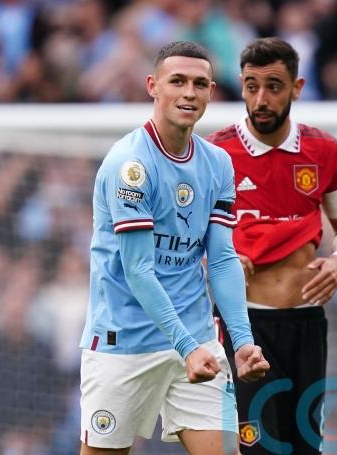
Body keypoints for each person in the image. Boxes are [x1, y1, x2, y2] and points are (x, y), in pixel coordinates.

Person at [79, 41, 270, 455]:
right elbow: (138, 270)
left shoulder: (218, 163)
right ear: (153, 86)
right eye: (177, 81)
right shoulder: (130, 165)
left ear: (211, 92)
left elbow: (221, 259)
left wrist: (242, 342)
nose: (189, 93)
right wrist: (185, 347)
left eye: (199, 84)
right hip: (124, 342)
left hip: (197, 340)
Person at [207, 37, 337, 455]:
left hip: (307, 323)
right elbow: (190, 237)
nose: (261, 98)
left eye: (273, 86)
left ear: (296, 87)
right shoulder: (216, 152)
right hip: (243, 325)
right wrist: (220, 259)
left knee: (305, 449)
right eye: (251, 86)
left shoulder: (323, 151)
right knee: (256, 449)